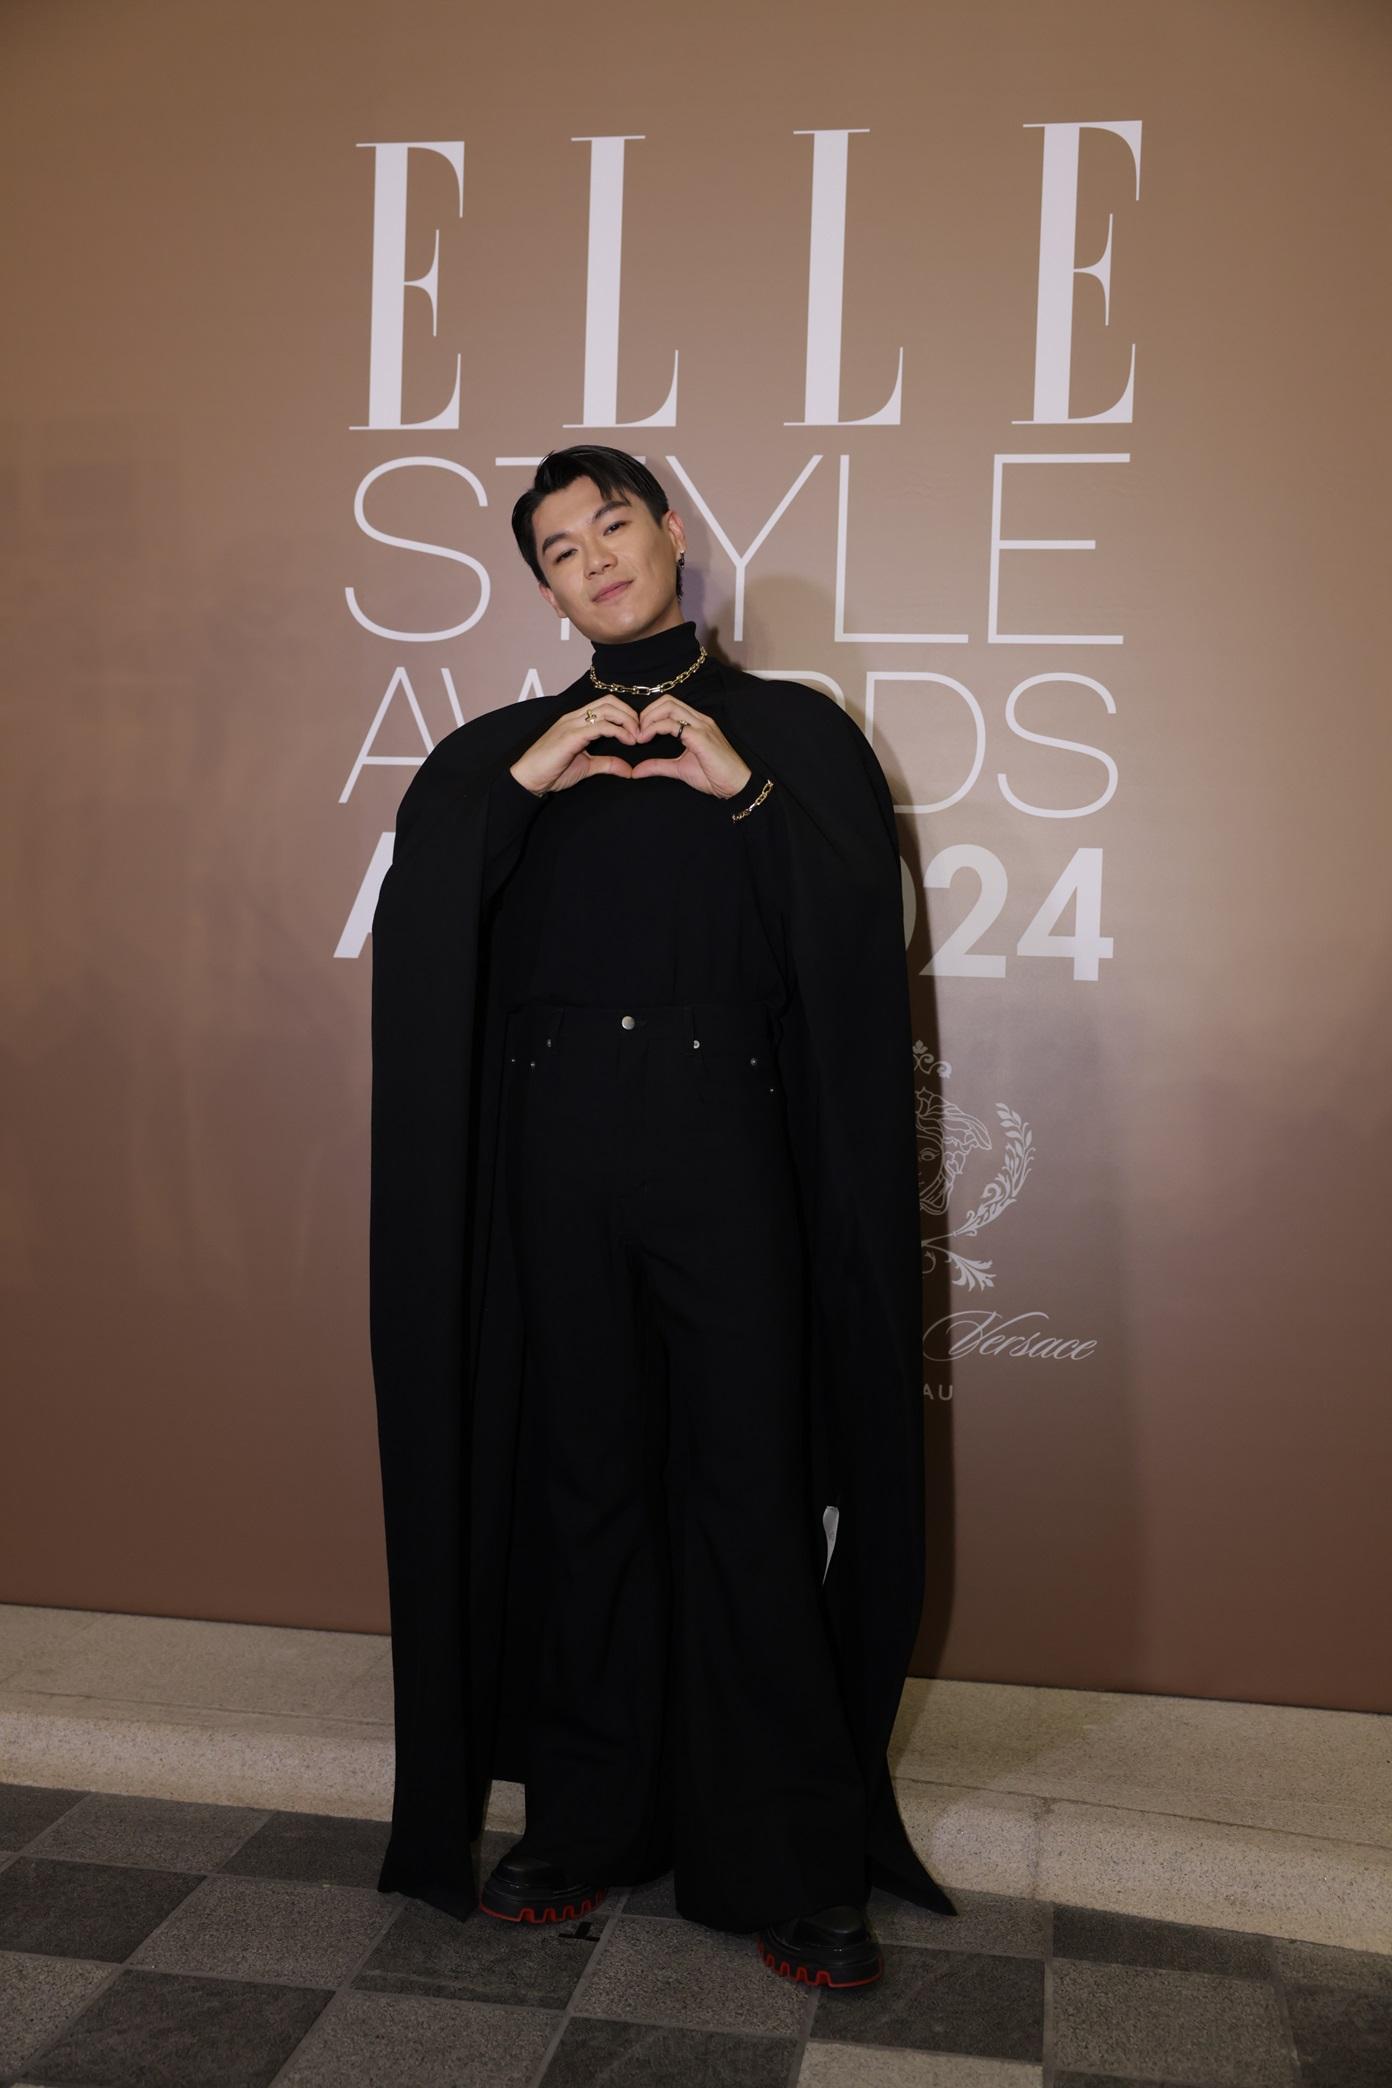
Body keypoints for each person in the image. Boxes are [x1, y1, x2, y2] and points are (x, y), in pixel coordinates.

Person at [367, 443, 957, 1992]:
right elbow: (422, 936)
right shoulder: (498, 755)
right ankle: (587, 1820)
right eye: (560, 551)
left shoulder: (791, 736)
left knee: (749, 1487)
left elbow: (851, 940)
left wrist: (741, 790)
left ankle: (791, 1858)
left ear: (673, 532)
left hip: (726, 1151)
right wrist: (525, 784)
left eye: (611, 524)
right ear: (546, 589)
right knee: (583, 1486)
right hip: (556, 1160)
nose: (594, 560)